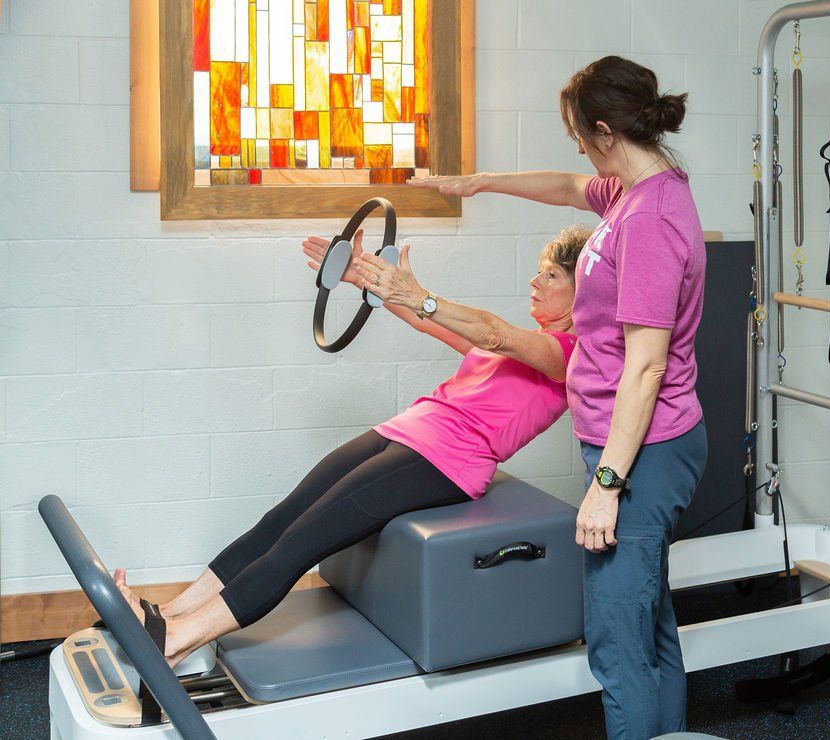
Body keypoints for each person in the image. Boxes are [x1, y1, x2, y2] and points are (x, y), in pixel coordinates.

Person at [114, 225, 591, 667]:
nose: (535, 280)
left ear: (584, 290)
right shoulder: (521, 343)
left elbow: (491, 331)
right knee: (282, 519)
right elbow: (425, 320)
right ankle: (169, 614)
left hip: (444, 460)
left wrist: (423, 295)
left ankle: (175, 643)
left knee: (303, 541)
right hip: (404, 432)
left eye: (550, 275)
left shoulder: (566, 357)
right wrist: (354, 272)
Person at [409, 55, 708, 740]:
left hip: (644, 453)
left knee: (615, 639)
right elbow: (567, 185)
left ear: (604, 129)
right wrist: (476, 182)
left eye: (577, 130)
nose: (574, 144)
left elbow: (647, 368)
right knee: (647, 619)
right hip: (632, 445)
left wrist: (607, 484)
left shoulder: (653, 218)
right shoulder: (631, 192)